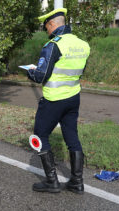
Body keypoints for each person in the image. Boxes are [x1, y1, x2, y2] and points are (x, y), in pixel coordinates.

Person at [26, 8, 90, 194]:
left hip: (54, 99)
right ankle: (77, 182)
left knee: (40, 135)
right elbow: (78, 71)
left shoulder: (53, 45)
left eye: (46, 27)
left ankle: (52, 182)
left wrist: (30, 71)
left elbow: (40, 76)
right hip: (73, 97)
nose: (46, 31)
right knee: (72, 137)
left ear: (53, 24)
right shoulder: (83, 44)